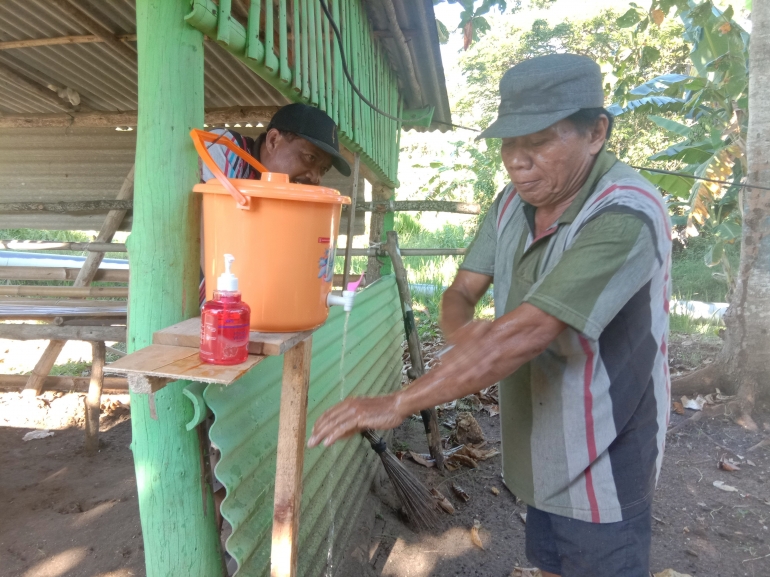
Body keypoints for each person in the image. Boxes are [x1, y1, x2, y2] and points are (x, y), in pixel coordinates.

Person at [308, 54, 672, 577]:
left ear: (596, 132)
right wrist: (464, 333)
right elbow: (461, 290)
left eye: (539, 141)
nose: (517, 162)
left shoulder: (626, 212)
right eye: (509, 144)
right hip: (538, 447)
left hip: (606, 453)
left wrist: (400, 402)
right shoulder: (510, 204)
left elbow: (525, 335)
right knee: (549, 563)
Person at [202, 102, 351, 184]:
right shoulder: (225, 147)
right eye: (310, 157)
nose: (316, 178)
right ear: (273, 141)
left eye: (323, 169)